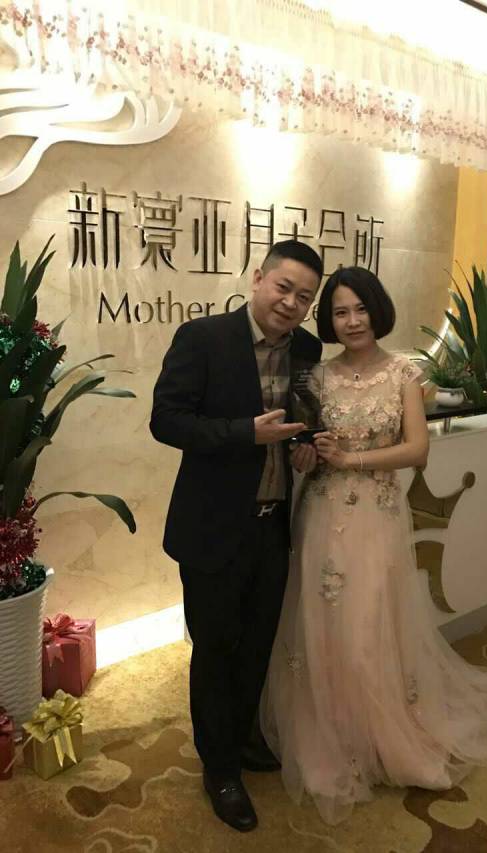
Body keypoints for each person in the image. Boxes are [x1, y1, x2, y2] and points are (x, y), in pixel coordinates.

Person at [261, 266, 487, 825]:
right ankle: (332, 732)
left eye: (361, 308)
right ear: (329, 320)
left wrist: (353, 459)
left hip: (376, 518)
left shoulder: (406, 373)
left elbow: (418, 450)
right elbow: (309, 451)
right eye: (340, 312)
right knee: (322, 625)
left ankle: (380, 735)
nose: (352, 321)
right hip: (321, 515)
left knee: (369, 626)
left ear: (378, 310)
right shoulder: (316, 377)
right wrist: (308, 456)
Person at [150, 240, 323, 832]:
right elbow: (166, 420)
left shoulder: (307, 348)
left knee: (256, 645)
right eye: (284, 287)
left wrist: (306, 445)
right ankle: (219, 767)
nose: (291, 303)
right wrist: (242, 433)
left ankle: (244, 737)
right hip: (213, 528)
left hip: (273, 526)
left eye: (304, 297)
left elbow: (305, 416)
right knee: (215, 650)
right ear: (258, 278)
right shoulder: (203, 339)